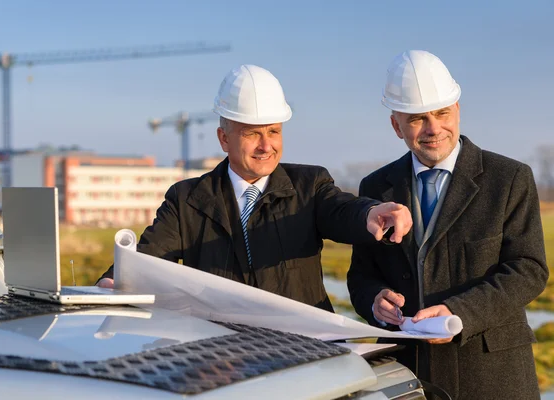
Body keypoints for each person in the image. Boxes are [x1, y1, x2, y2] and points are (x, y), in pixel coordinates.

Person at [97, 64, 412, 312]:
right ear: (224, 139)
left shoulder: (309, 186)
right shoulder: (187, 201)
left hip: (303, 352)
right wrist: (115, 279)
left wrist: (369, 212)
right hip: (223, 358)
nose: (266, 146)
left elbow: (341, 209)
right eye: (252, 134)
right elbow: (148, 258)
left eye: (274, 132)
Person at [347, 50, 548, 399]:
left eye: (441, 113)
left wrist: (459, 312)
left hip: (492, 377)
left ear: (457, 109)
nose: (433, 128)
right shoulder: (375, 188)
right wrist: (374, 300)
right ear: (396, 125)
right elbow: (361, 275)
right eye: (417, 119)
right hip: (407, 376)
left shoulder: (509, 178)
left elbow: (528, 270)